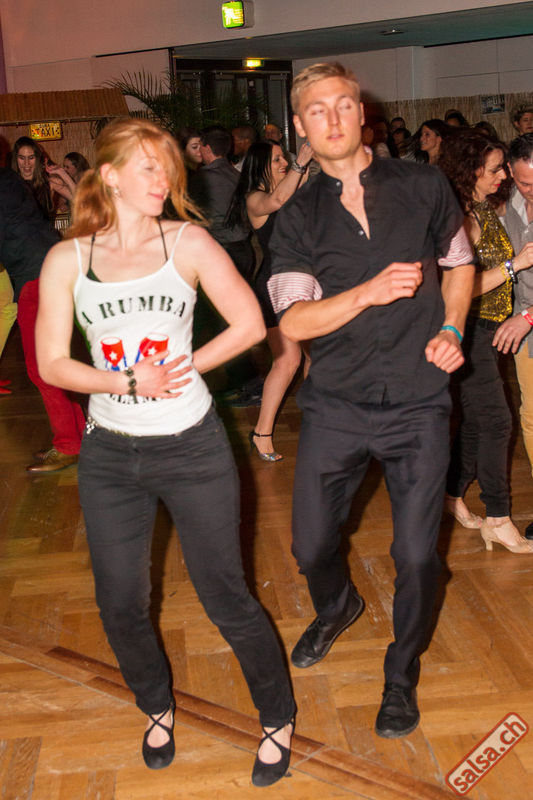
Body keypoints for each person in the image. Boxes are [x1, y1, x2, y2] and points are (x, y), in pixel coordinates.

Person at [35, 117, 295, 786]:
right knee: (119, 601)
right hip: (110, 456)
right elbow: (53, 362)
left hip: (191, 448)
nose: (164, 179)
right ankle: (155, 705)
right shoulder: (69, 259)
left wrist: (183, 370)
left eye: (169, 167)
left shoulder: (188, 241)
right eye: (149, 167)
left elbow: (250, 325)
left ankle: (277, 715)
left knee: (225, 595)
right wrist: (127, 382)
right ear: (111, 175)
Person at [267, 61, 475, 738]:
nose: (332, 119)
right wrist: (366, 293)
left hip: (418, 401)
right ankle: (337, 608)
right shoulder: (296, 217)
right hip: (337, 403)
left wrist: (451, 328)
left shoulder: (421, 184)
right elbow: (295, 322)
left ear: (363, 114)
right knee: (309, 545)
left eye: (342, 105)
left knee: (417, 555)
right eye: (316, 110)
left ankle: (401, 673)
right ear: (300, 127)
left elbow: (460, 263)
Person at [439, 130, 533, 552]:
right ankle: (497, 516)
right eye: (495, 170)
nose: (503, 177)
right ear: (471, 170)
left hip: (490, 328)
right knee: (497, 421)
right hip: (471, 327)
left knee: (478, 422)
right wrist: (516, 265)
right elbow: (458, 289)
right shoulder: (461, 218)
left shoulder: (482, 207)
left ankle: (451, 495)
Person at [228, 138, 313, 460]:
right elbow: (276, 199)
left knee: (316, 357)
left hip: (304, 284)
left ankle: (317, 423)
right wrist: (300, 163)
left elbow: (298, 189)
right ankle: (261, 433)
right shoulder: (255, 198)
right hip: (274, 288)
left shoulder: (291, 193)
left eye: (284, 158)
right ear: (260, 165)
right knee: (288, 361)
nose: (284, 163)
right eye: (277, 159)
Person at [0, 166, 83, 472]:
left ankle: (69, 445)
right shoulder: (7, 179)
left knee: (42, 367)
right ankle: (77, 438)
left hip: (36, 277)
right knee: (54, 362)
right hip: (47, 269)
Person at [494, 133, 533, 539]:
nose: (532, 190)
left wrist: (528, 317)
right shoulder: (509, 205)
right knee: (531, 418)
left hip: (527, 320)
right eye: (525, 183)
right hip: (524, 328)